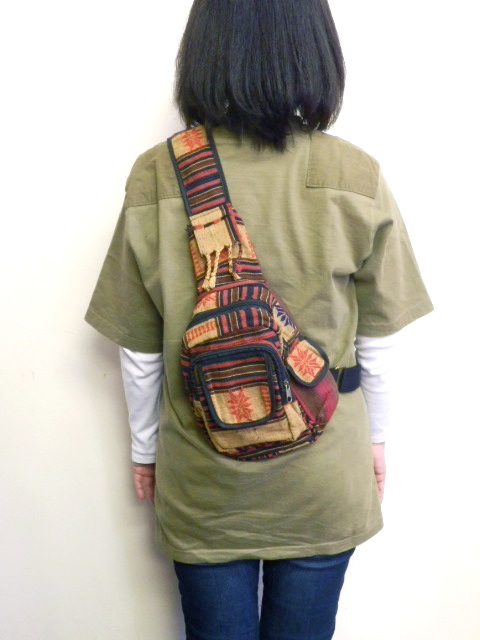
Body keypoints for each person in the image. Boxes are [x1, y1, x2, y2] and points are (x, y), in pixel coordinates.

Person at [85, 1, 433, 638]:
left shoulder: (158, 174)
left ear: (204, 50)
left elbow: (140, 353)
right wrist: (375, 442)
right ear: (315, 51)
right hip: (324, 474)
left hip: (205, 480)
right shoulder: (354, 174)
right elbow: (379, 342)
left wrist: (144, 450)